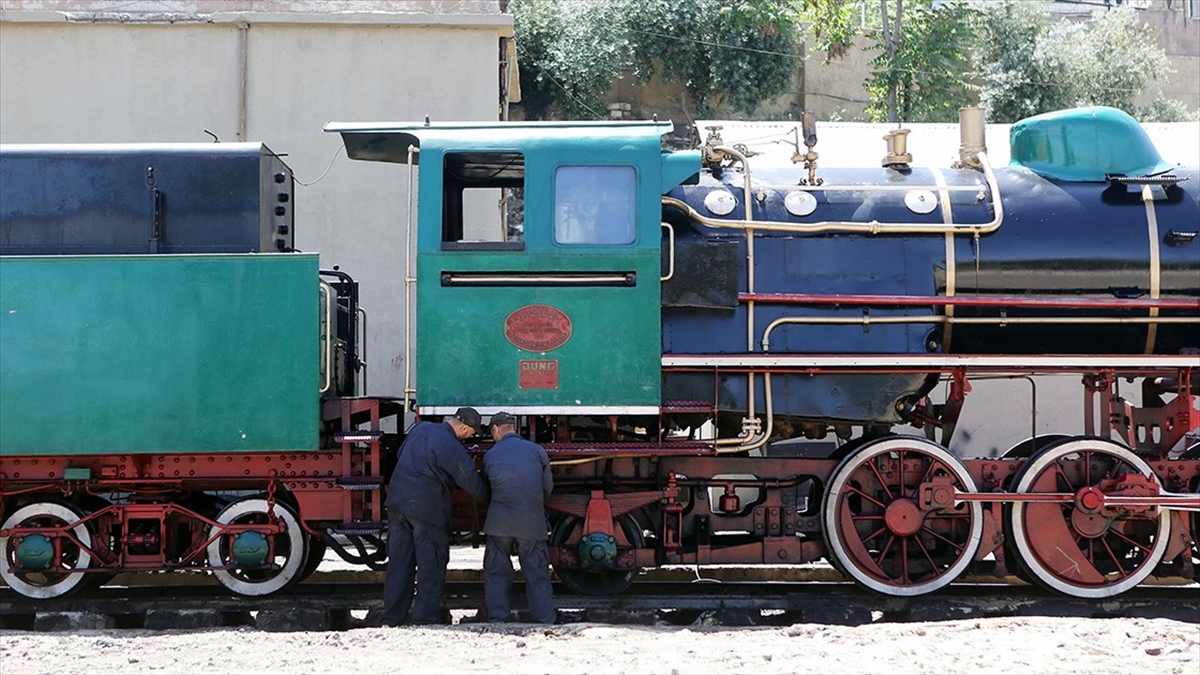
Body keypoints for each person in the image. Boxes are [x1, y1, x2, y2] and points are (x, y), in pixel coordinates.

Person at [383, 407, 489, 626]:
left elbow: (401, 454)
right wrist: (493, 500)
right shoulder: (452, 445)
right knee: (431, 564)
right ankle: (425, 619)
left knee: (399, 564)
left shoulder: (421, 429)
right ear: (462, 427)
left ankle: (392, 618)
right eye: (471, 433)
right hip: (426, 510)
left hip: (397, 504)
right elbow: (470, 481)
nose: (471, 437)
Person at [480, 411, 555, 623]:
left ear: (495, 430)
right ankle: (544, 619)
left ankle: (498, 618)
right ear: (514, 428)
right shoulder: (537, 450)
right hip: (531, 522)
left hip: (499, 523)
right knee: (537, 573)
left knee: (496, 573)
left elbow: (486, 487)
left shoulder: (491, 455)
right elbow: (547, 488)